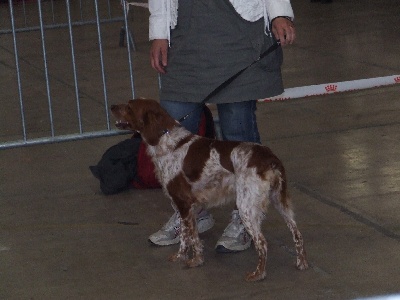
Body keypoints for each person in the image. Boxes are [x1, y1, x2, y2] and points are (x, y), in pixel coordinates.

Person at [147, 0, 296, 253]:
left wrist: (279, 14)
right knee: (173, 135)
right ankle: (191, 210)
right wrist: (158, 33)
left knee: (238, 130)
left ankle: (245, 217)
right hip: (186, 31)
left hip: (237, 30)